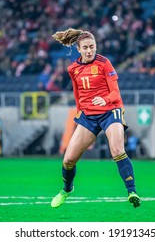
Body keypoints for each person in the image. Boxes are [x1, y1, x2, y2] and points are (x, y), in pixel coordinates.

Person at [50, 28, 140, 208]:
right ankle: (67, 189)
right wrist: (79, 110)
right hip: (88, 116)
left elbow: (115, 93)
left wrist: (104, 99)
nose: (90, 51)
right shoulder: (73, 69)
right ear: (79, 49)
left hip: (110, 111)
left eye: (92, 47)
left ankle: (131, 191)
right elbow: (77, 93)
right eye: (86, 48)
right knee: (68, 160)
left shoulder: (104, 63)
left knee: (117, 149)